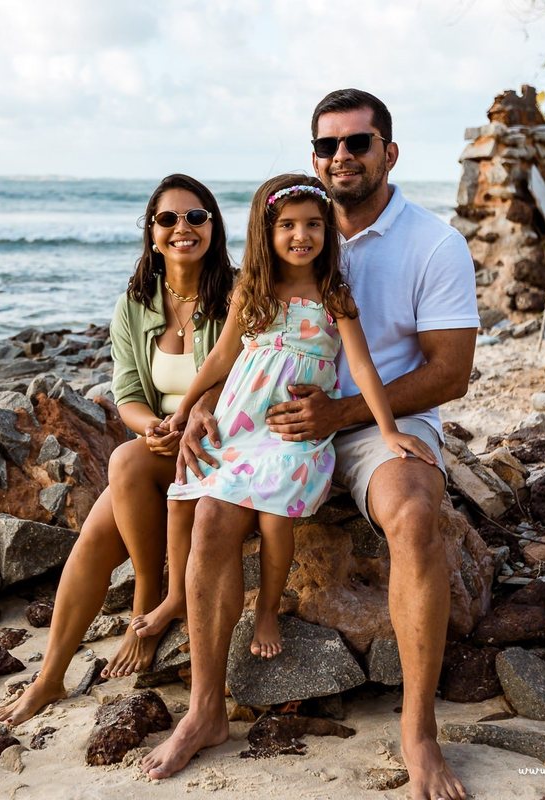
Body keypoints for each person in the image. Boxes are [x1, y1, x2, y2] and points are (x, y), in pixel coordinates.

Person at [143, 90, 478, 800]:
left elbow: (451, 372)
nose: (343, 157)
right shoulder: (296, 242)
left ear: (389, 151)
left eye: (359, 143)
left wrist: (349, 415)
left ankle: (418, 733)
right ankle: (206, 711)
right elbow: (238, 348)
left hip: (379, 416)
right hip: (278, 420)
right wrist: (199, 404)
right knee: (210, 517)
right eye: (328, 146)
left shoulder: (434, 243)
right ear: (313, 160)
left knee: (415, 514)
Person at [129, 174, 436, 661]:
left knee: (275, 518)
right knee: (183, 492)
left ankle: (268, 609)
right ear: (266, 234)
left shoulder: (334, 295)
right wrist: (185, 409)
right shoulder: (252, 290)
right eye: (287, 225)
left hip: (289, 429)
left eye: (314, 224)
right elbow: (219, 359)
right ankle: (173, 597)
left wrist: (388, 430)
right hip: (239, 419)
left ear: (327, 230)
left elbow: (361, 366)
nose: (301, 235)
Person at [0, 174, 235, 726]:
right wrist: (153, 426)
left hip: (225, 438)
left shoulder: (237, 294)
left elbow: (250, 371)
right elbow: (127, 396)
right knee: (97, 532)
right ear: (152, 234)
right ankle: (50, 677)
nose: (183, 228)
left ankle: (145, 603)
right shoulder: (135, 304)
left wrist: (198, 412)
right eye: (168, 219)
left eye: (196, 217)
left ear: (213, 227)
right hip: (163, 442)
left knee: (123, 461)